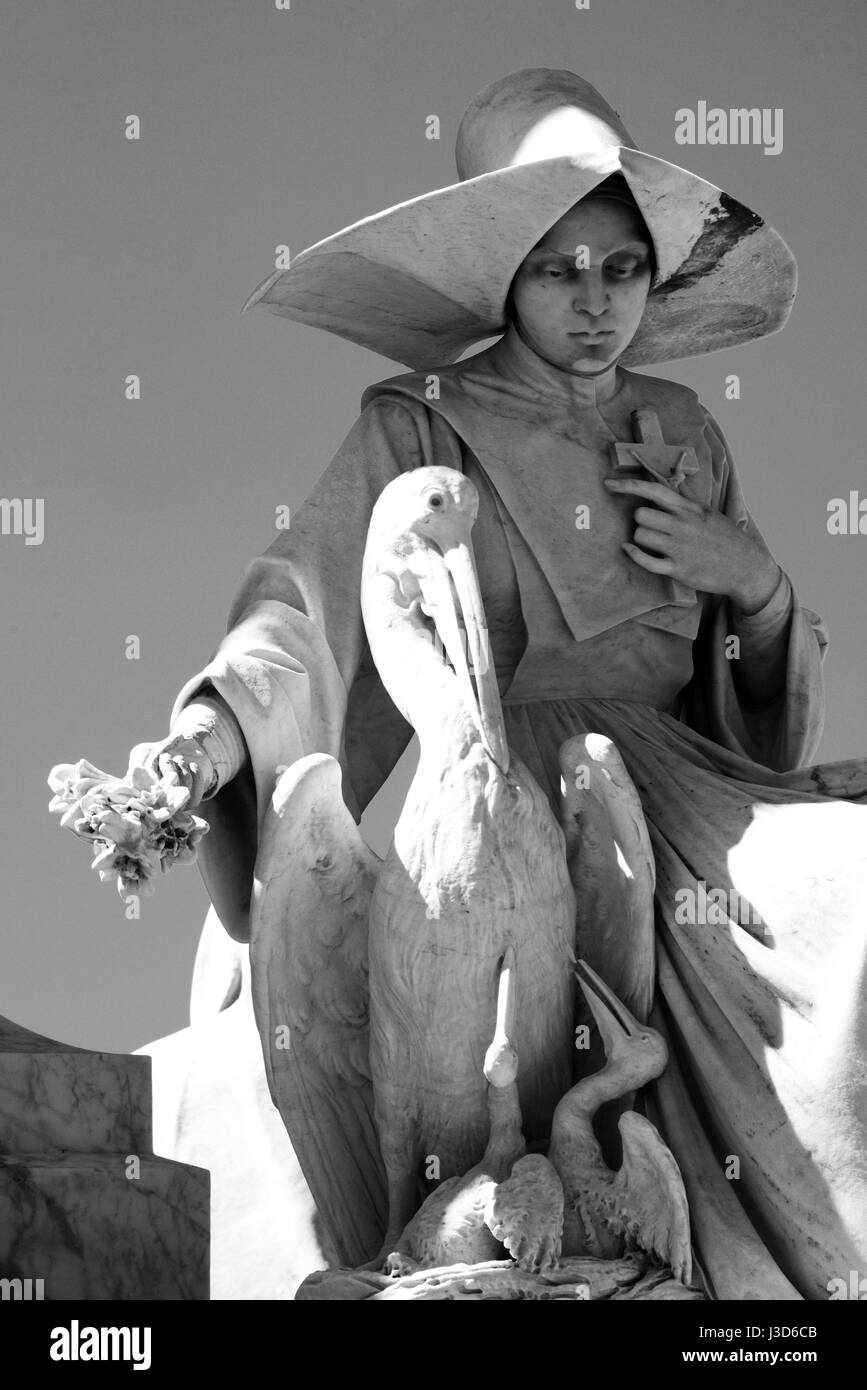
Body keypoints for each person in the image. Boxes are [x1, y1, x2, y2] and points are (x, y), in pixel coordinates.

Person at [130, 69, 867, 1300]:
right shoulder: (420, 422)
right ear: (501, 279)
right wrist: (207, 743)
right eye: (556, 268)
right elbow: (302, 603)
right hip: (511, 783)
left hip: (699, 793)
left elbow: (750, 698)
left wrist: (756, 587)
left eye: (622, 267)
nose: (594, 302)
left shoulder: (688, 428)